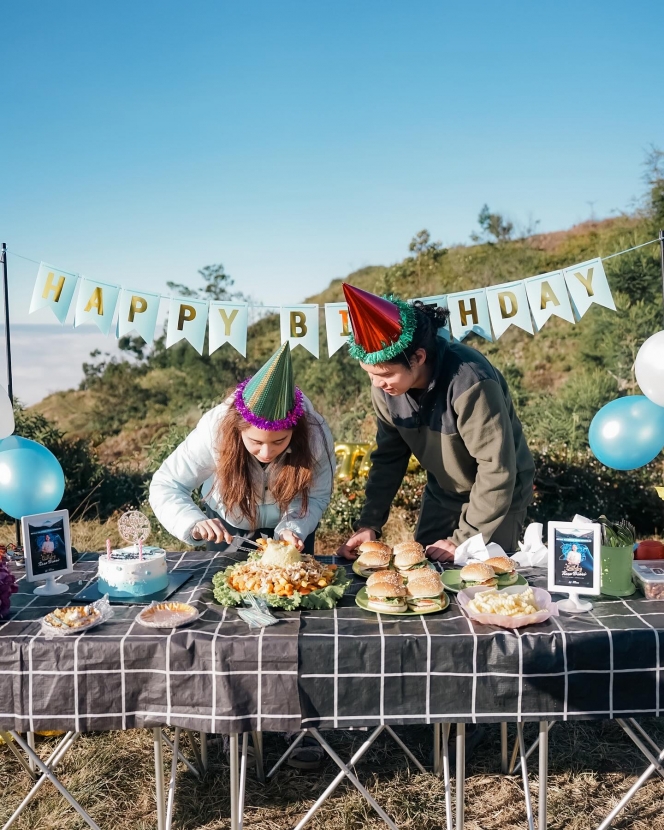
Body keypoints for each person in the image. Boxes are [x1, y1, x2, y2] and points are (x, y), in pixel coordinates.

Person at [337, 284, 535, 563]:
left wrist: (463, 540)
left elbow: (497, 469)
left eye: (385, 375)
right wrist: (369, 523)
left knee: (483, 582)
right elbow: (388, 459)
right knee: (425, 572)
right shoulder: (384, 390)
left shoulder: (470, 381)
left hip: (499, 496)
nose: (377, 384)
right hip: (443, 492)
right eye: (369, 375)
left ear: (418, 357)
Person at [150, 342, 335, 554]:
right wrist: (193, 522)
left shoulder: (315, 435)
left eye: (279, 442)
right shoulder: (215, 429)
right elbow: (167, 484)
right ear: (238, 430)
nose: (266, 453)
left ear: (295, 432)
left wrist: (292, 528)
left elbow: (316, 496)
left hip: (294, 527)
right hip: (229, 526)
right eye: (256, 442)